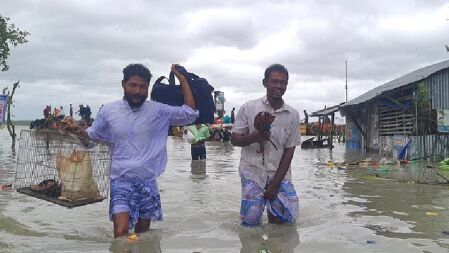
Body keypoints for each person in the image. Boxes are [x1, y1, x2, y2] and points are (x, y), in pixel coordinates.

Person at [66, 63, 198, 238]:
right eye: (133, 85)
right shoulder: (109, 111)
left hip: (148, 181)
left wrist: (183, 80)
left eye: (143, 87)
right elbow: (90, 139)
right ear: (123, 85)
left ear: (148, 88)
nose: (138, 91)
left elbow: (189, 113)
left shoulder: (158, 110)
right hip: (120, 180)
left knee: (142, 235)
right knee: (120, 233)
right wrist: (75, 130)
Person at [231, 63, 301, 226]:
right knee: (251, 221)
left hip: (280, 174)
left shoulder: (292, 114)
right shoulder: (249, 108)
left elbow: (289, 152)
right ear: (265, 83)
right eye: (274, 81)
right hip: (252, 171)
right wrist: (256, 136)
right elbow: (234, 140)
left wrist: (275, 184)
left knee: (285, 221)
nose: (279, 86)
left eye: (283, 82)